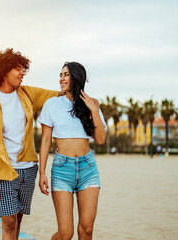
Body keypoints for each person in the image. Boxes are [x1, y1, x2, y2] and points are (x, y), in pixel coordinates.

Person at [0, 48, 61, 240]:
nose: (23, 72)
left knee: (18, 221)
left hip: (28, 168)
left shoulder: (27, 94)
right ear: (4, 71)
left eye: (24, 68)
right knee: (9, 222)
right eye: (18, 68)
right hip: (4, 170)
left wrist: (74, 86)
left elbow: (57, 95)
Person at [38, 62, 106, 240]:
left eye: (66, 74)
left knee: (86, 230)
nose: (61, 78)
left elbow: (100, 140)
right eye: (60, 74)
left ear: (77, 77)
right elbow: (45, 140)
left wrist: (94, 111)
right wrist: (42, 172)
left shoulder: (93, 104)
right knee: (66, 234)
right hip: (62, 169)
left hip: (88, 168)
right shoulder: (51, 104)